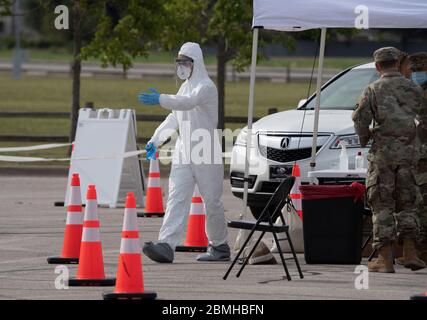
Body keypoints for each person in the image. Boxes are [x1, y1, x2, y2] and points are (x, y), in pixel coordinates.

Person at [137, 42, 229, 263]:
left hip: (204, 150)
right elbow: (174, 117)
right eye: (179, 62)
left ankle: (219, 247)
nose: (182, 66)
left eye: (186, 62)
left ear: (196, 63)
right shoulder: (184, 88)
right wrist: (155, 140)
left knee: (212, 201)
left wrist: (160, 98)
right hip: (183, 151)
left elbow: (188, 104)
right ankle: (166, 245)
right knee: (176, 197)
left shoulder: (206, 87)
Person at [352, 47, 426, 273]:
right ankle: (411, 253)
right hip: (410, 155)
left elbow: (360, 118)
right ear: (397, 63)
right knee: (408, 202)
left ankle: (385, 259)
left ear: (377, 67)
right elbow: (424, 121)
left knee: (382, 203)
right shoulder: (414, 89)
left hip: (383, 156)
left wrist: (366, 137)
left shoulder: (373, 89)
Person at [409, 52, 427, 264]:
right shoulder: (411, 91)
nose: (416, 74)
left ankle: (420, 250)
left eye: (419, 70)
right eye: (414, 71)